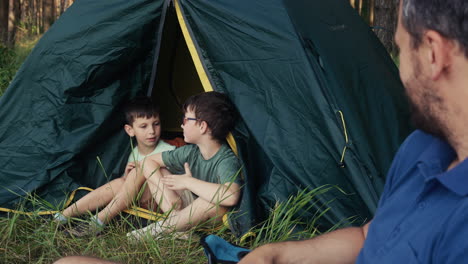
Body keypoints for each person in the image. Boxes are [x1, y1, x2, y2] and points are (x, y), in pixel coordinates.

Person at [239, 0, 468, 263]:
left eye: (401, 49)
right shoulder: (423, 146)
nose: (400, 72)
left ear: (433, 53)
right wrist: (276, 255)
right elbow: (370, 236)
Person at [125, 91, 242, 240]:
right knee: (158, 170)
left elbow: (231, 196)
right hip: (183, 210)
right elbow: (148, 162)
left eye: (186, 120)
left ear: (202, 126)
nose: (181, 124)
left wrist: (188, 182)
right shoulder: (190, 152)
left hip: (209, 214)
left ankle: (157, 230)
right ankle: (177, 225)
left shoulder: (225, 158)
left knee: (209, 202)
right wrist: (169, 196)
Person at [54, 96, 175, 236]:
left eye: (156, 124)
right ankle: (62, 217)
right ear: (130, 130)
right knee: (120, 182)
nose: (152, 131)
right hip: (136, 202)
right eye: (144, 126)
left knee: (139, 171)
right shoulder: (134, 152)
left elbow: (170, 187)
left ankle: (98, 221)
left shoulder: (168, 151)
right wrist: (127, 175)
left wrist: (139, 173)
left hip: (162, 203)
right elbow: (126, 188)